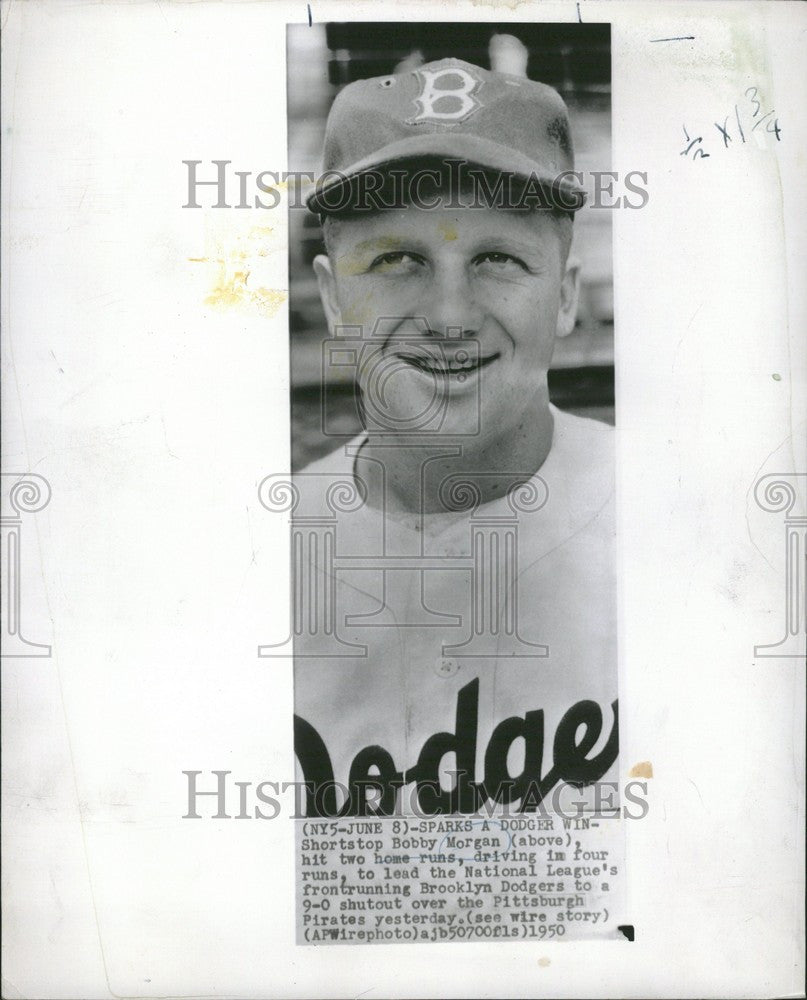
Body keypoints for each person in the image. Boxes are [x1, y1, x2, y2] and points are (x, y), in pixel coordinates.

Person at [286, 56, 617, 817]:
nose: (449, 315)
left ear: (565, 297)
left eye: (497, 259)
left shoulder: (671, 525)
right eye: (398, 261)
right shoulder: (250, 553)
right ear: (334, 297)